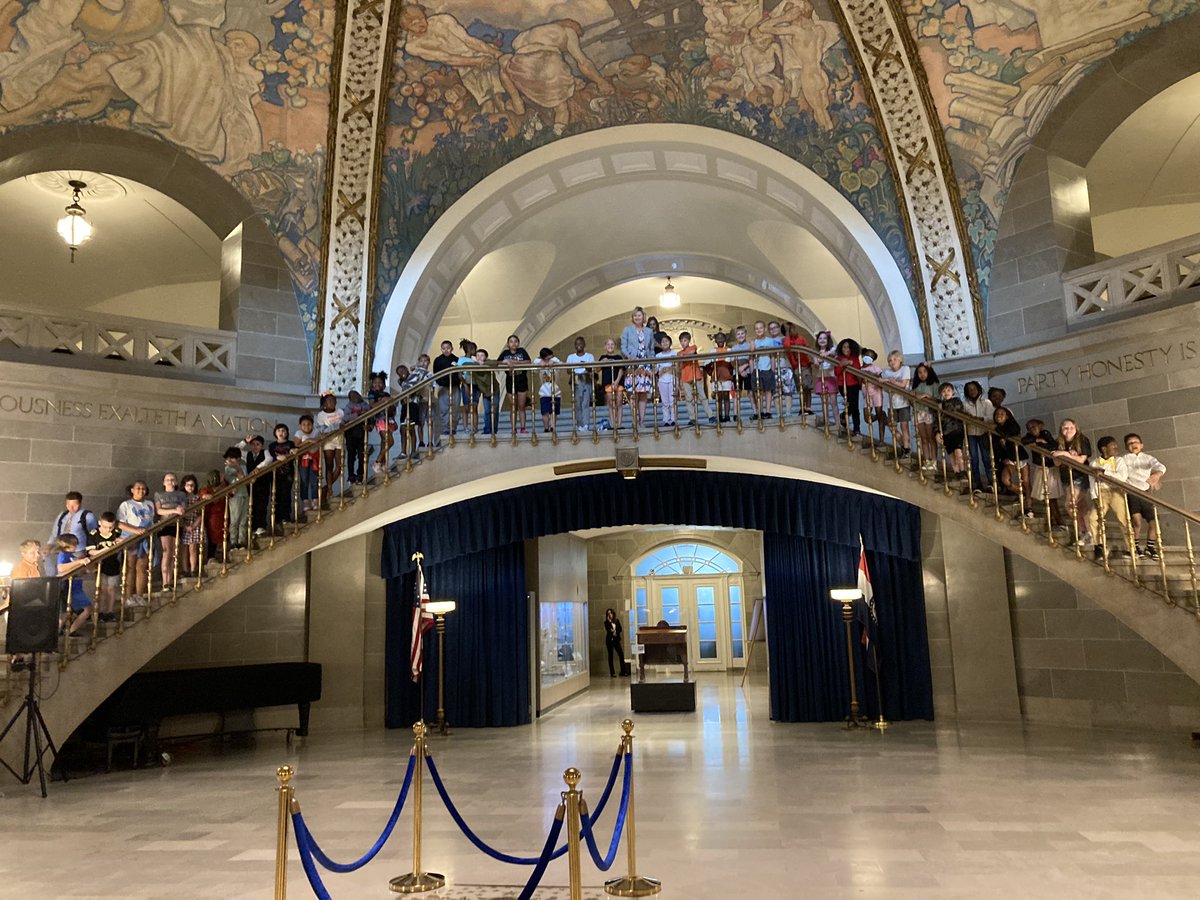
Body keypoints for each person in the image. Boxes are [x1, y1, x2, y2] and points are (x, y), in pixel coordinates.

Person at [1121, 433, 1167, 560]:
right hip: (1132, 492)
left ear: (1141, 445)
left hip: (1145, 491)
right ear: (1126, 446)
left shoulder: (1148, 458)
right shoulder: (1124, 459)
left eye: (1136, 442)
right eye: (1130, 443)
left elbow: (1160, 466)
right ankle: (1135, 546)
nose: (1133, 445)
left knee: (1153, 522)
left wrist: (1156, 476)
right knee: (1136, 521)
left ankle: (1150, 547)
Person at [1089, 436, 1131, 559]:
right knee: (1093, 518)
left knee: (1123, 519)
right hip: (1101, 492)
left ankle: (1130, 548)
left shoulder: (1119, 461)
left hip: (1115, 491)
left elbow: (1122, 477)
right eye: (1113, 446)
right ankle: (1099, 545)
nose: (1116, 448)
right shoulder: (1094, 463)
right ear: (1104, 448)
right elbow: (1092, 481)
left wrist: (1104, 473)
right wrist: (1094, 496)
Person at [1052, 419, 1092, 546]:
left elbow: (1081, 460)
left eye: (1071, 427)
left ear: (1076, 428)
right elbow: (1056, 462)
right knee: (1082, 506)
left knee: (1070, 504)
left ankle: (1084, 532)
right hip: (1066, 477)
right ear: (1061, 430)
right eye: (1065, 428)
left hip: (1079, 476)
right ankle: (1087, 533)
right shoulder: (1058, 441)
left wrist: (1065, 454)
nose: (1068, 430)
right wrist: (1068, 455)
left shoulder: (1082, 440)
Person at [117, 481, 154, 606]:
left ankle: (139, 595)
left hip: (144, 539)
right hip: (131, 537)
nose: (141, 490)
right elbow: (120, 523)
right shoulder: (126, 505)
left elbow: (151, 521)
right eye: (138, 488)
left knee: (142, 567)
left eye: (143, 488)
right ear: (132, 490)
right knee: (130, 567)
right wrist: (136, 531)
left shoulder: (149, 504)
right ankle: (128, 596)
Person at [44, 492, 97, 576]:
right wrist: (48, 546)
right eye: (68, 505)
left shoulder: (87, 516)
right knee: (57, 568)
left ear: (79, 504)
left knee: (74, 572)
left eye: (74, 505)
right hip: (62, 547)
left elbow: (95, 533)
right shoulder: (62, 515)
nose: (71, 508)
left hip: (78, 549)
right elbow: (54, 533)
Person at [1022, 418, 1063, 527]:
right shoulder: (1030, 437)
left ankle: (1058, 521)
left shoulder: (1045, 433)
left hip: (1049, 467)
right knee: (1044, 496)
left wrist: (1042, 444)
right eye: (1029, 428)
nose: (1032, 429)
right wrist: (1037, 441)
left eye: (1034, 426)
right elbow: (1024, 441)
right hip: (1040, 467)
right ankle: (1052, 520)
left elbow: (1053, 446)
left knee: (1052, 497)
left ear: (1040, 426)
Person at [621, 308, 656, 431]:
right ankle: (634, 420)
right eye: (635, 315)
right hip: (632, 364)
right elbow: (623, 347)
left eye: (639, 315)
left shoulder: (649, 331)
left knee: (643, 395)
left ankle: (641, 420)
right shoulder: (627, 330)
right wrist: (629, 356)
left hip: (645, 365)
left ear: (643, 317)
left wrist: (651, 364)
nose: (637, 317)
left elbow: (651, 349)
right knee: (632, 395)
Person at [86, 512, 123, 623]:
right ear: (99, 523)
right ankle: (101, 611)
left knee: (111, 589)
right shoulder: (94, 534)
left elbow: (123, 541)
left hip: (113, 563)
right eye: (105, 527)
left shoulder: (116, 533)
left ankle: (109, 611)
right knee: (102, 589)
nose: (108, 530)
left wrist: (121, 542)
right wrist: (102, 551)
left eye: (110, 527)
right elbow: (90, 551)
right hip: (100, 565)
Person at [55, 534, 94, 637]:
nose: (76, 547)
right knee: (87, 609)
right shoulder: (63, 555)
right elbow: (62, 568)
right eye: (74, 545)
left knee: (68, 613)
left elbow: (74, 570)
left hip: (76, 586)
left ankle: (66, 630)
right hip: (70, 587)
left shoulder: (71, 556)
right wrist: (80, 562)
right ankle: (68, 631)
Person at [154, 473, 187, 591]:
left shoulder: (181, 494)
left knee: (174, 553)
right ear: (163, 482)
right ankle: (165, 582)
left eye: (172, 479)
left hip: (177, 524)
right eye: (167, 479)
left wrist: (176, 511)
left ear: (176, 482)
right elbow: (159, 510)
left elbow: (182, 509)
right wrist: (174, 510)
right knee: (166, 551)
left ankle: (171, 581)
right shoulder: (159, 494)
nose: (170, 481)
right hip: (165, 525)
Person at [961, 380, 994, 494]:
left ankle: (991, 483)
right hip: (971, 433)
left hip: (983, 432)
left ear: (978, 389)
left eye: (974, 389)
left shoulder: (986, 402)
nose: (972, 391)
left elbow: (991, 417)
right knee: (973, 459)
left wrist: (980, 419)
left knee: (986, 458)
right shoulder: (964, 404)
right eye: (970, 390)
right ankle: (977, 483)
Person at [992, 407, 1029, 506]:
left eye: (1002, 413)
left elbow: (1010, 433)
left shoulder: (1012, 426)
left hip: (1019, 455)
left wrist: (999, 430)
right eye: (996, 414)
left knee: (1026, 481)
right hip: (1008, 458)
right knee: (1005, 480)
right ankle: (1023, 493)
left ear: (1007, 416)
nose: (998, 415)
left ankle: (1029, 506)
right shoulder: (994, 430)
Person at [498, 335, 532, 435]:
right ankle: (513, 428)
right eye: (511, 341)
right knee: (513, 406)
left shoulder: (522, 351)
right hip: (510, 379)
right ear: (508, 344)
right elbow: (498, 362)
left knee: (521, 406)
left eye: (515, 341)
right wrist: (506, 361)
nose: (513, 343)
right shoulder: (505, 353)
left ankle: (522, 427)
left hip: (521, 379)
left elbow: (528, 362)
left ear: (518, 343)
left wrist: (515, 362)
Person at [677, 331, 714, 426]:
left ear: (689, 341)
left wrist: (684, 356)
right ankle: (692, 418)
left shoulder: (693, 347)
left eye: (685, 340)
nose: (683, 343)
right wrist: (684, 357)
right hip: (685, 377)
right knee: (688, 398)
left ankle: (710, 415)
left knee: (702, 396)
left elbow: (691, 353)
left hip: (695, 375)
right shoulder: (679, 353)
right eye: (681, 341)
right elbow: (680, 361)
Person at [880, 351, 912, 456]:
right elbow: (885, 388)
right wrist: (888, 384)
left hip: (903, 403)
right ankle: (903, 444)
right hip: (892, 404)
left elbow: (903, 384)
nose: (892, 362)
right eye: (889, 360)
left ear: (900, 360)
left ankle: (906, 448)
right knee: (892, 426)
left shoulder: (905, 369)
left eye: (894, 359)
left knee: (904, 426)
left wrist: (892, 383)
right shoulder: (886, 372)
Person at [315, 392, 345, 496]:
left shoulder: (340, 412)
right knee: (329, 465)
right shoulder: (321, 415)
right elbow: (322, 430)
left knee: (339, 466)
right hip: (328, 441)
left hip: (339, 439)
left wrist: (338, 427)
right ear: (324, 403)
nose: (331, 402)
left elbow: (344, 423)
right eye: (329, 401)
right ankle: (330, 489)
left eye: (333, 400)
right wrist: (336, 427)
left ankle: (326, 488)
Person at [911, 362, 940, 468]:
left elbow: (938, 399)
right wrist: (912, 396)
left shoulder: (934, 384)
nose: (922, 374)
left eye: (924, 372)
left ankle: (934, 461)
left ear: (929, 372)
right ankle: (927, 460)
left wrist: (926, 396)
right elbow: (912, 403)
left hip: (929, 412)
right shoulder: (916, 385)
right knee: (923, 438)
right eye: (919, 372)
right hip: (918, 412)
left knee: (931, 437)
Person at [366, 372, 396, 472]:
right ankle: (377, 462)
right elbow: (373, 406)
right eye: (375, 382)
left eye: (379, 382)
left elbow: (392, 408)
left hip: (389, 419)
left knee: (384, 442)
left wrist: (392, 405)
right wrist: (383, 401)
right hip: (380, 420)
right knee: (390, 441)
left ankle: (383, 463)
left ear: (383, 384)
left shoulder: (387, 394)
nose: (377, 384)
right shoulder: (372, 393)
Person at [833, 338, 862, 438]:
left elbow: (857, 368)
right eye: (844, 347)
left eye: (848, 347)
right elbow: (837, 372)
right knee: (851, 405)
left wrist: (849, 363)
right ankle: (843, 417)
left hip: (853, 384)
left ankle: (857, 429)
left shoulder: (854, 357)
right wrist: (842, 364)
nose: (846, 349)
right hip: (842, 385)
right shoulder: (838, 358)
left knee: (855, 407)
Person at [751, 320, 780, 419]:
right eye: (757, 328)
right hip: (757, 368)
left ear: (765, 329)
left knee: (768, 390)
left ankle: (768, 411)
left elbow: (772, 355)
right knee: (759, 391)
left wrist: (773, 369)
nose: (759, 330)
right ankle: (760, 411)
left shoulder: (770, 341)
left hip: (767, 368)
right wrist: (752, 371)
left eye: (761, 328)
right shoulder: (754, 342)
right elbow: (751, 357)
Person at [566, 336, 595, 433]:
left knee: (585, 403)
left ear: (584, 345)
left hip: (586, 380)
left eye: (581, 344)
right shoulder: (571, 357)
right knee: (577, 404)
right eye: (577, 344)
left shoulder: (589, 356)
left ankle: (586, 424)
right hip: (575, 380)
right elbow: (568, 370)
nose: (579, 346)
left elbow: (591, 368)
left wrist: (585, 366)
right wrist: (578, 366)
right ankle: (579, 424)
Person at [935, 382, 965, 477]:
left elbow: (954, 409)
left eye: (948, 390)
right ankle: (956, 472)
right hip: (946, 432)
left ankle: (963, 471)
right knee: (951, 454)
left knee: (958, 452)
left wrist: (942, 407)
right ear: (940, 394)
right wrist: (937, 432)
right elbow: (937, 420)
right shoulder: (939, 405)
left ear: (953, 392)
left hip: (956, 430)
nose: (946, 393)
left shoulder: (956, 401)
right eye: (943, 391)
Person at [432, 339, 460, 439]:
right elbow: (435, 374)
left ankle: (454, 428)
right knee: (444, 409)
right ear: (441, 349)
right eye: (444, 348)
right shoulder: (438, 360)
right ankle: (446, 428)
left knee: (455, 408)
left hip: (455, 387)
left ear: (451, 348)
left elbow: (459, 374)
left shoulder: (456, 359)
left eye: (448, 348)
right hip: (443, 387)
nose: (446, 350)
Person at [294, 414, 321, 513]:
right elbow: (297, 445)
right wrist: (308, 441)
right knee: (304, 481)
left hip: (314, 459)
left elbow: (319, 439)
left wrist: (311, 441)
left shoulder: (316, 431)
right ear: (300, 425)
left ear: (312, 425)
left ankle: (315, 500)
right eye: (304, 424)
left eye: (309, 424)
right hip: (303, 461)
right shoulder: (299, 433)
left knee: (314, 481)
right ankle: (305, 501)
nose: (306, 426)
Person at [784, 322, 812, 414]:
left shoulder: (801, 338)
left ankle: (808, 408)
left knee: (807, 387)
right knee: (801, 388)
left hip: (805, 365)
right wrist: (788, 334)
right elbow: (787, 347)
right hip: (796, 367)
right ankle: (802, 407)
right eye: (790, 330)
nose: (793, 331)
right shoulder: (786, 340)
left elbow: (807, 348)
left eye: (793, 329)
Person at [178, 474, 203, 578]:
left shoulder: (198, 498)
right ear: (184, 486)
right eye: (188, 485)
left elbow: (201, 513)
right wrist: (185, 525)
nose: (190, 487)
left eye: (192, 485)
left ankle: (193, 569)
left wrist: (193, 525)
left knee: (193, 548)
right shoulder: (181, 499)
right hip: (185, 524)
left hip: (195, 524)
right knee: (184, 548)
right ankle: (185, 569)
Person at [598, 338, 626, 432]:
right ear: (605, 346)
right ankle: (613, 423)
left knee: (619, 403)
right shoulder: (603, 357)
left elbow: (621, 370)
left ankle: (619, 424)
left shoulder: (619, 357)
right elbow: (597, 369)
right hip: (607, 382)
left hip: (618, 382)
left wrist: (617, 381)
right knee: (611, 404)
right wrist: (602, 362)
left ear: (615, 346)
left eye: (612, 344)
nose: (610, 346)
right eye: (608, 344)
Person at [810, 330, 837, 427]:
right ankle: (827, 421)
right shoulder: (815, 352)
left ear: (828, 340)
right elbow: (816, 365)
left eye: (824, 338)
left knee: (833, 402)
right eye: (820, 338)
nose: (822, 340)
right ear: (817, 340)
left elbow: (835, 353)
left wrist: (828, 354)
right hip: (820, 377)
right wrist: (817, 361)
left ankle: (837, 423)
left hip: (830, 377)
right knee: (824, 402)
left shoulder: (832, 350)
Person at [858, 348, 885, 444]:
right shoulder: (859, 369)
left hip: (876, 392)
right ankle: (882, 416)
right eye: (867, 356)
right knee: (867, 418)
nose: (868, 358)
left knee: (878, 412)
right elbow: (859, 383)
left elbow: (880, 379)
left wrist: (870, 375)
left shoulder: (876, 368)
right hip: (866, 394)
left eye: (871, 357)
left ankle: (881, 439)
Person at [708, 332, 735, 423]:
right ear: (715, 340)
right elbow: (708, 363)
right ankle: (719, 416)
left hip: (726, 375)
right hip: (716, 376)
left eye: (722, 338)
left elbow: (732, 362)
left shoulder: (729, 350)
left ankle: (727, 416)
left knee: (726, 396)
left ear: (725, 339)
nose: (720, 340)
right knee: (718, 397)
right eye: (718, 338)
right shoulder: (713, 351)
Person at [344, 390, 370, 483]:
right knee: (351, 455)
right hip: (351, 432)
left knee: (362, 454)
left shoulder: (365, 405)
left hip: (362, 431)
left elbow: (370, 416)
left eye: (356, 395)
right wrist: (358, 414)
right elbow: (346, 418)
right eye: (353, 396)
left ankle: (360, 473)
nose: (355, 397)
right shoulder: (348, 406)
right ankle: (351, 475)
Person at [655, 332, 678, 427]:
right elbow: (656, 370)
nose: (664, 343)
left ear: (670, 343)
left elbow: (677, 367)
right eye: (663, 342)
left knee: (673, 400)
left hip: (672, 378)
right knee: (665, 401)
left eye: (666, 341)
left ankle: (673, 419)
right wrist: (662, 370)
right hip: (662, 379)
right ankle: (666, 420)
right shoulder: (658, 356)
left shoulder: (674, 353)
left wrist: (671, 369)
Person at [537, 347, 562, 432]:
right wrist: (542, 362)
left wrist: (553, 361)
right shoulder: (539, 362)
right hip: (544, 392)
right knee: (545, 411)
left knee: (554, 411)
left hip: (555, 392)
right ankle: (546, 427)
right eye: (547, 358)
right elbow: (534, 362)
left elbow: (560, 363)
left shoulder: (555, 361)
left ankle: (553, 426)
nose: (549, 360)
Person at [604, 607, 625, 678]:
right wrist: (609, 622)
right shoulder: (606, 622)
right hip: (609, 640)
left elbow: (620, 629)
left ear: (613, 614)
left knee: (621, 654)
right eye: (608, 613)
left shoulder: (617, 620)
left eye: (611, 613)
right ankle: (612, 673)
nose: (610, 615)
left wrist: (616, 632)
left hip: (616, 640)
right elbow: (608, 630)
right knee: (610, 656)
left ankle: (623, 671)